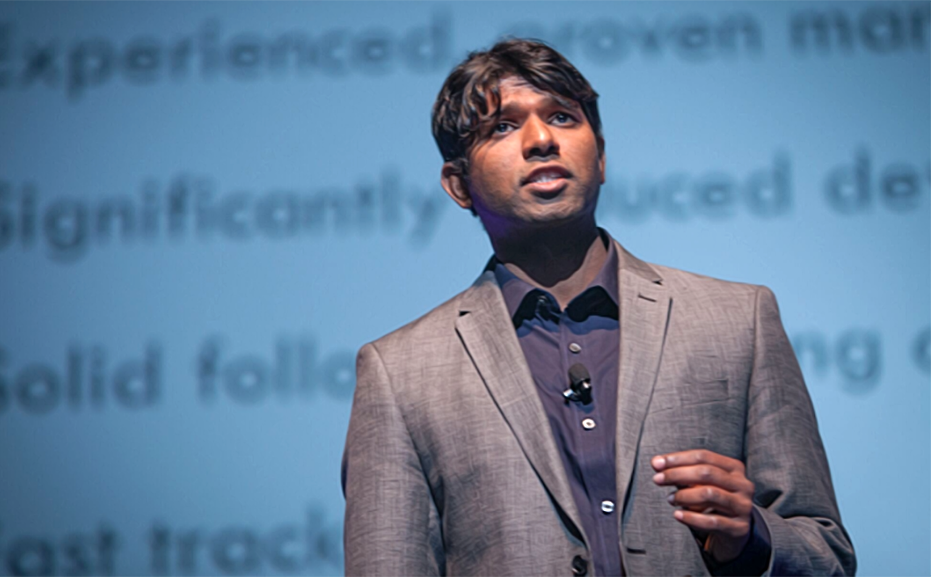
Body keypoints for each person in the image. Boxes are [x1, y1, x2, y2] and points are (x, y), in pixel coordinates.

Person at [341, 38, 855, 577]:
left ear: (602, 156)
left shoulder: (738, 320)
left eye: (562, 117)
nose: (542, 140)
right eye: (503, 126)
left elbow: (828, 555)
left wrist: (751, 539)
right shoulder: (399, 374)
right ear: (459, 185)